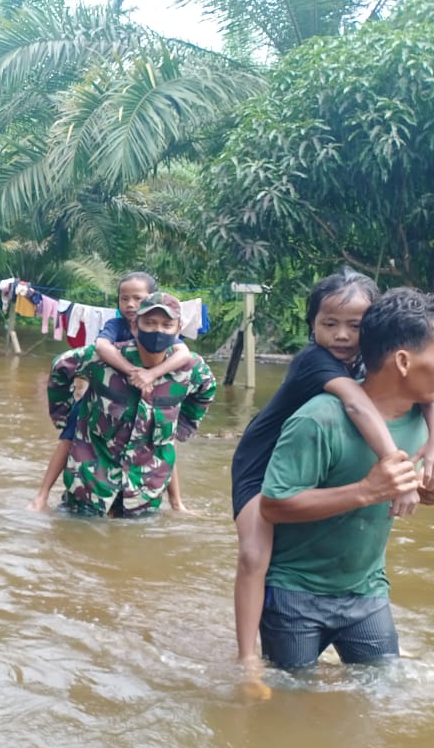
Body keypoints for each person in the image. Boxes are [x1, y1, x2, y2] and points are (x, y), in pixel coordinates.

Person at [232, 270, 434, 668]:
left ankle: (366, 632)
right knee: (255, 555)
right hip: (260, 459)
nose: (342, 335)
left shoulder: (374, 362)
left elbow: (428, 401)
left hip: (359, 582)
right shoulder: (315, 361)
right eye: (329, 324)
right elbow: (358, 405)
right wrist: (395, 477)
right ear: (312, 326)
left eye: (354, 326)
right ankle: (246, 657)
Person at [31, 273, 195, 513]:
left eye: (137, 299)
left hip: (149, 394)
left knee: (162, 442)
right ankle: (42, 495)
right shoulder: (117, 325)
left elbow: (184, 354)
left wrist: (152, 374)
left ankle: (176, 502)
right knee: (69, 438)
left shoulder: (161, 327)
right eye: (124, 298)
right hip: (103, 399)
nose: (130, 304)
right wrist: (132, 371)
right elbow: (100, 347)